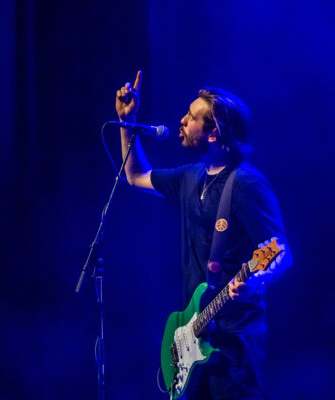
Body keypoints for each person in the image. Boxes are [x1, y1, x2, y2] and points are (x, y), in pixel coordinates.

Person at [115, 70, 291, 399]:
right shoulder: (189, 177)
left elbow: (280, 253)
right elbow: (135, 174)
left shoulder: (247, 185)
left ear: (213, 131)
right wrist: (129, 122)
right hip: (193, 337)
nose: (181, 121)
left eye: (191, 116)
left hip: (234, 346)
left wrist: (254, 281)